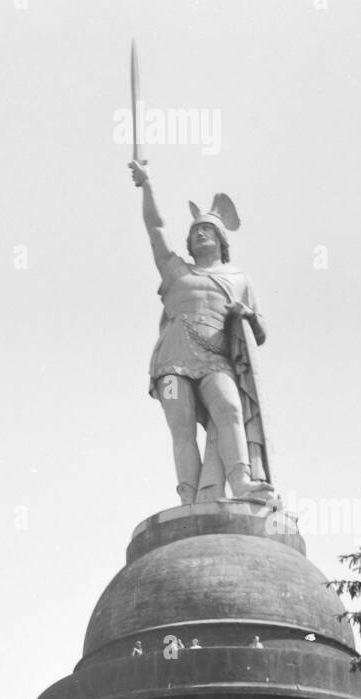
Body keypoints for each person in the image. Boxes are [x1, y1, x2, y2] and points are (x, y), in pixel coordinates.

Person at [129, 159, 274, 506]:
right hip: (171, 361)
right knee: (181, 429)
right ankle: (189, 499)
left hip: (216, 359)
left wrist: (248, 315)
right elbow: (156, 229)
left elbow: (261, 332)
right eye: (194, 231)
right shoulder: (176, 270)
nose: (200, 233)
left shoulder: (240, 280)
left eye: (206, 229)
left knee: (230, 409)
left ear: (222, 240)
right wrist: (147, 185)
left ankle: (242, 483)